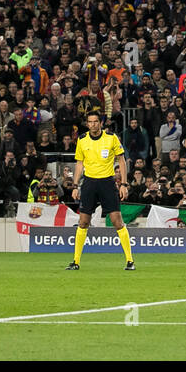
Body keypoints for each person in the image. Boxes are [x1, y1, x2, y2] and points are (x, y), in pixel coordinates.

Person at [66, 111, 135, 271]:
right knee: (83, 222)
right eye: (90, 122)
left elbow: (122, 160)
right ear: (87, 124)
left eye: (96, 121)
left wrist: (123, 184)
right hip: (89, 183)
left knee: (117, 221)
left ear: (100, 123)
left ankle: (130, 261)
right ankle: (75, 262)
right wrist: (75, 186)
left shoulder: (111, 138)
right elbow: (79, 164)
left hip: (107, 183)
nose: (93, 124)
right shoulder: (82, 140)